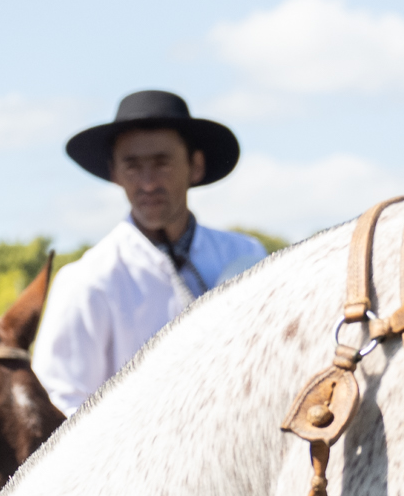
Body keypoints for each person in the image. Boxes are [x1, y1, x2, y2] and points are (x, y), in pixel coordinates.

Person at [29, 91, 265, 412]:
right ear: (114, 174)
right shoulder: (88, 281)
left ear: (195, 166)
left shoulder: (245, 255)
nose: (148, 183)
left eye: (161, 164)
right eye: (133, 166)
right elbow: (62, 401)